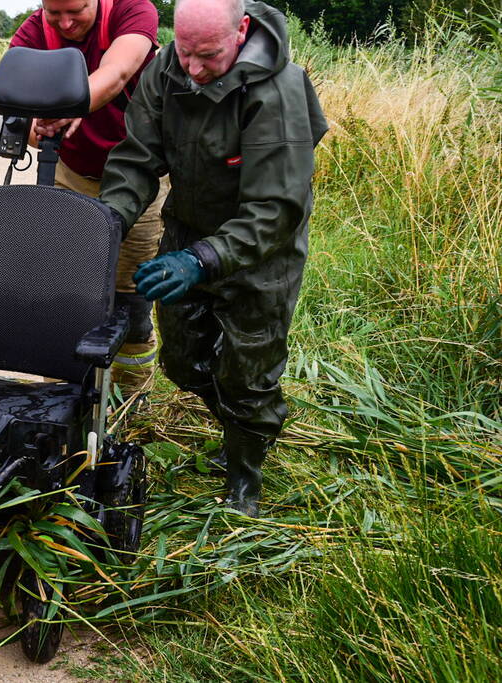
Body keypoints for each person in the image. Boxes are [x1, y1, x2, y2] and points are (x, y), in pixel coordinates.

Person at [100, 0, 328, 516]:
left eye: (208, 56)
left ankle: (245, 471)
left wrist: (203, 261)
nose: (195, 70)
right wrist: (109, 219)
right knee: (181, 360)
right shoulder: (167, 69)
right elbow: (138, 156)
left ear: (241, 31)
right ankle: (235, 420)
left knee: (247, 373)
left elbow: (276, 208)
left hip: (262, 249)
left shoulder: (279, 89)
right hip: (188, 229)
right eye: (186, 53)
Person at [10, 0, 164, 393]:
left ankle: (129, 400)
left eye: (75, 11)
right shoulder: (32, 34)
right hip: (72, 176)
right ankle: (61, 396)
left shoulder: (133, 11)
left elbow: (117, 71)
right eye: (54, 13)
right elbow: (16, 112)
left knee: (130, 298)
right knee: (61, 292)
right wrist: (37, 127)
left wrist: (68, 103)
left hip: (141, 180)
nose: (65, 23)